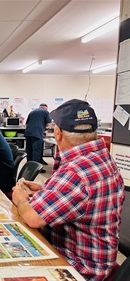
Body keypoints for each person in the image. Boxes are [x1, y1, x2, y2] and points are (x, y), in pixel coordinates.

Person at [12, 99, 125, 281]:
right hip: (99, 259)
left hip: (79, 267)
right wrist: (45, 189)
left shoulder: (75, 170)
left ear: (58, 133)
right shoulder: (102, 158)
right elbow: (84, 195)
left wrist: (21, 198)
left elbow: (33, 218)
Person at [24, 103, 51, 172]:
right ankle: (35, 169)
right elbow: (48, 124)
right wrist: (45, 129)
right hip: (37, 134)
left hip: (28, 133)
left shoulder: (32, 112)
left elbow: (26, 124)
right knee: (37, 151)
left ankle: (29, 166)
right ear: (45, 108)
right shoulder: (45, 112)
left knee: (29, 150)